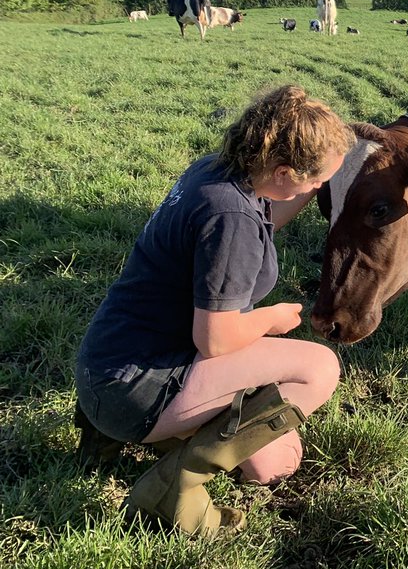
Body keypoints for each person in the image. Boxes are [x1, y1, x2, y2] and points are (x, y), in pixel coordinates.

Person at [74, 84, 356, 536]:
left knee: (267, 452)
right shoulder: (231, 220)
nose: (321, 188)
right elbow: (216, 340)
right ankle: (174, 487)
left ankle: (109, 438)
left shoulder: (216, 173)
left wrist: (318, 184)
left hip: (102, 369)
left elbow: (264, 216)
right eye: (318, 180)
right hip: (136, 390)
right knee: (311, 387)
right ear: (283, 171)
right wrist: (273, 318)